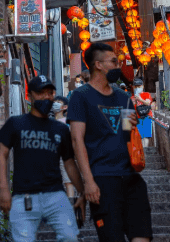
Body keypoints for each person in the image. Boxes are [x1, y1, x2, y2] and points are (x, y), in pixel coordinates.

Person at [68, 43, 153, 242]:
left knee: (142, 236)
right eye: (114, 61)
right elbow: (76, 140)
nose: (118, 65)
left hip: (131, 178)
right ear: (98, 64)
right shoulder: (81, 97)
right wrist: (88, 183)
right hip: (103, 180)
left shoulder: (124, 98)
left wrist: (132, 126)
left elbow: (125, 135)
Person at [0, 76, 86, 242]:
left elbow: (69, 163)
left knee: (70, 237)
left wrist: (82, 191)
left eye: (50, 93)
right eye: (41, 93)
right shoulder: (16, 123)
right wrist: (3, 190)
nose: (46, 97)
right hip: (24, 196)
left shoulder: (60, 129)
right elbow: (2, 154)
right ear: (30, 96)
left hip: (56, 195)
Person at [133, 78, 154, 147]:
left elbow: (148, 103)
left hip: (147, 117)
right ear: (134, 87)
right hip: (138, 118)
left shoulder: (146, 94)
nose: (137, 88)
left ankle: (145, 151)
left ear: (142, 86)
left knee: (146, 136)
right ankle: (143, 152)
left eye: (139, 86)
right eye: (136, 87)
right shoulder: (132, 98)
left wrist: (140, 99)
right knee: (140, 136)